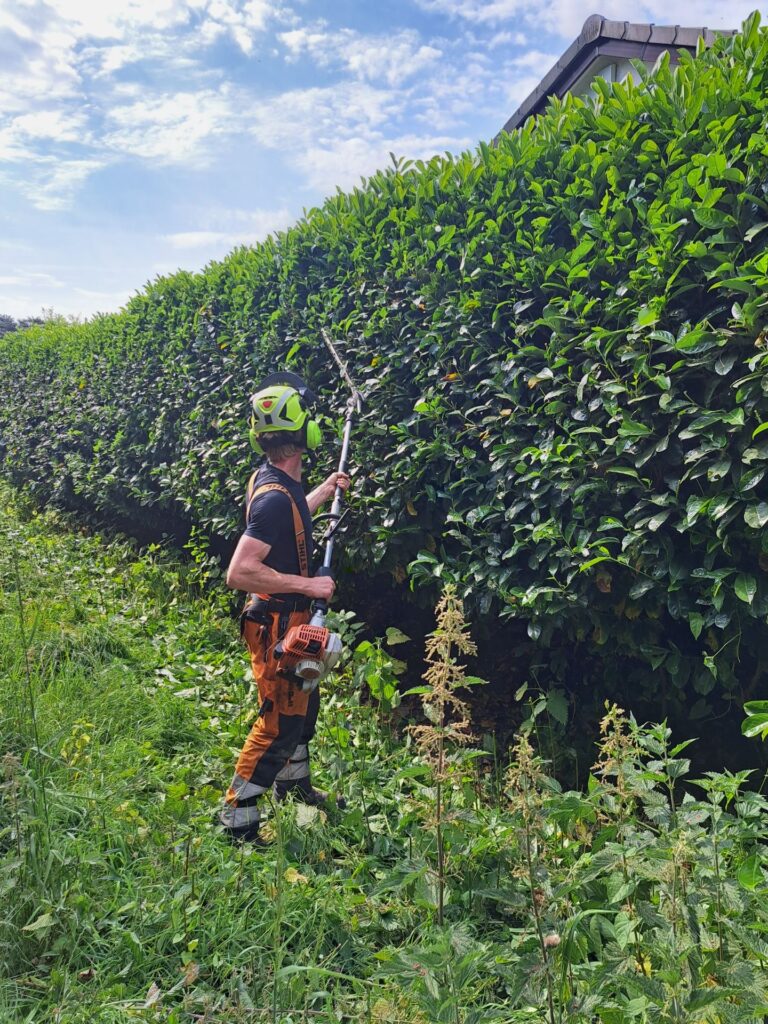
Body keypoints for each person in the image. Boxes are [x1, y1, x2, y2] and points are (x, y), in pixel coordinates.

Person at [219, 373, 350, 844]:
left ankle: (295, 788)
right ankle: (237, 818)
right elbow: (240, 572)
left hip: (290, 618)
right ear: (306, 435)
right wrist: (309, 583)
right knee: (279, 721)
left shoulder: (274, 481)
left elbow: (293, 513)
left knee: (303, 707)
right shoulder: (274, 500)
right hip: (277, 622)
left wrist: (323, 490)